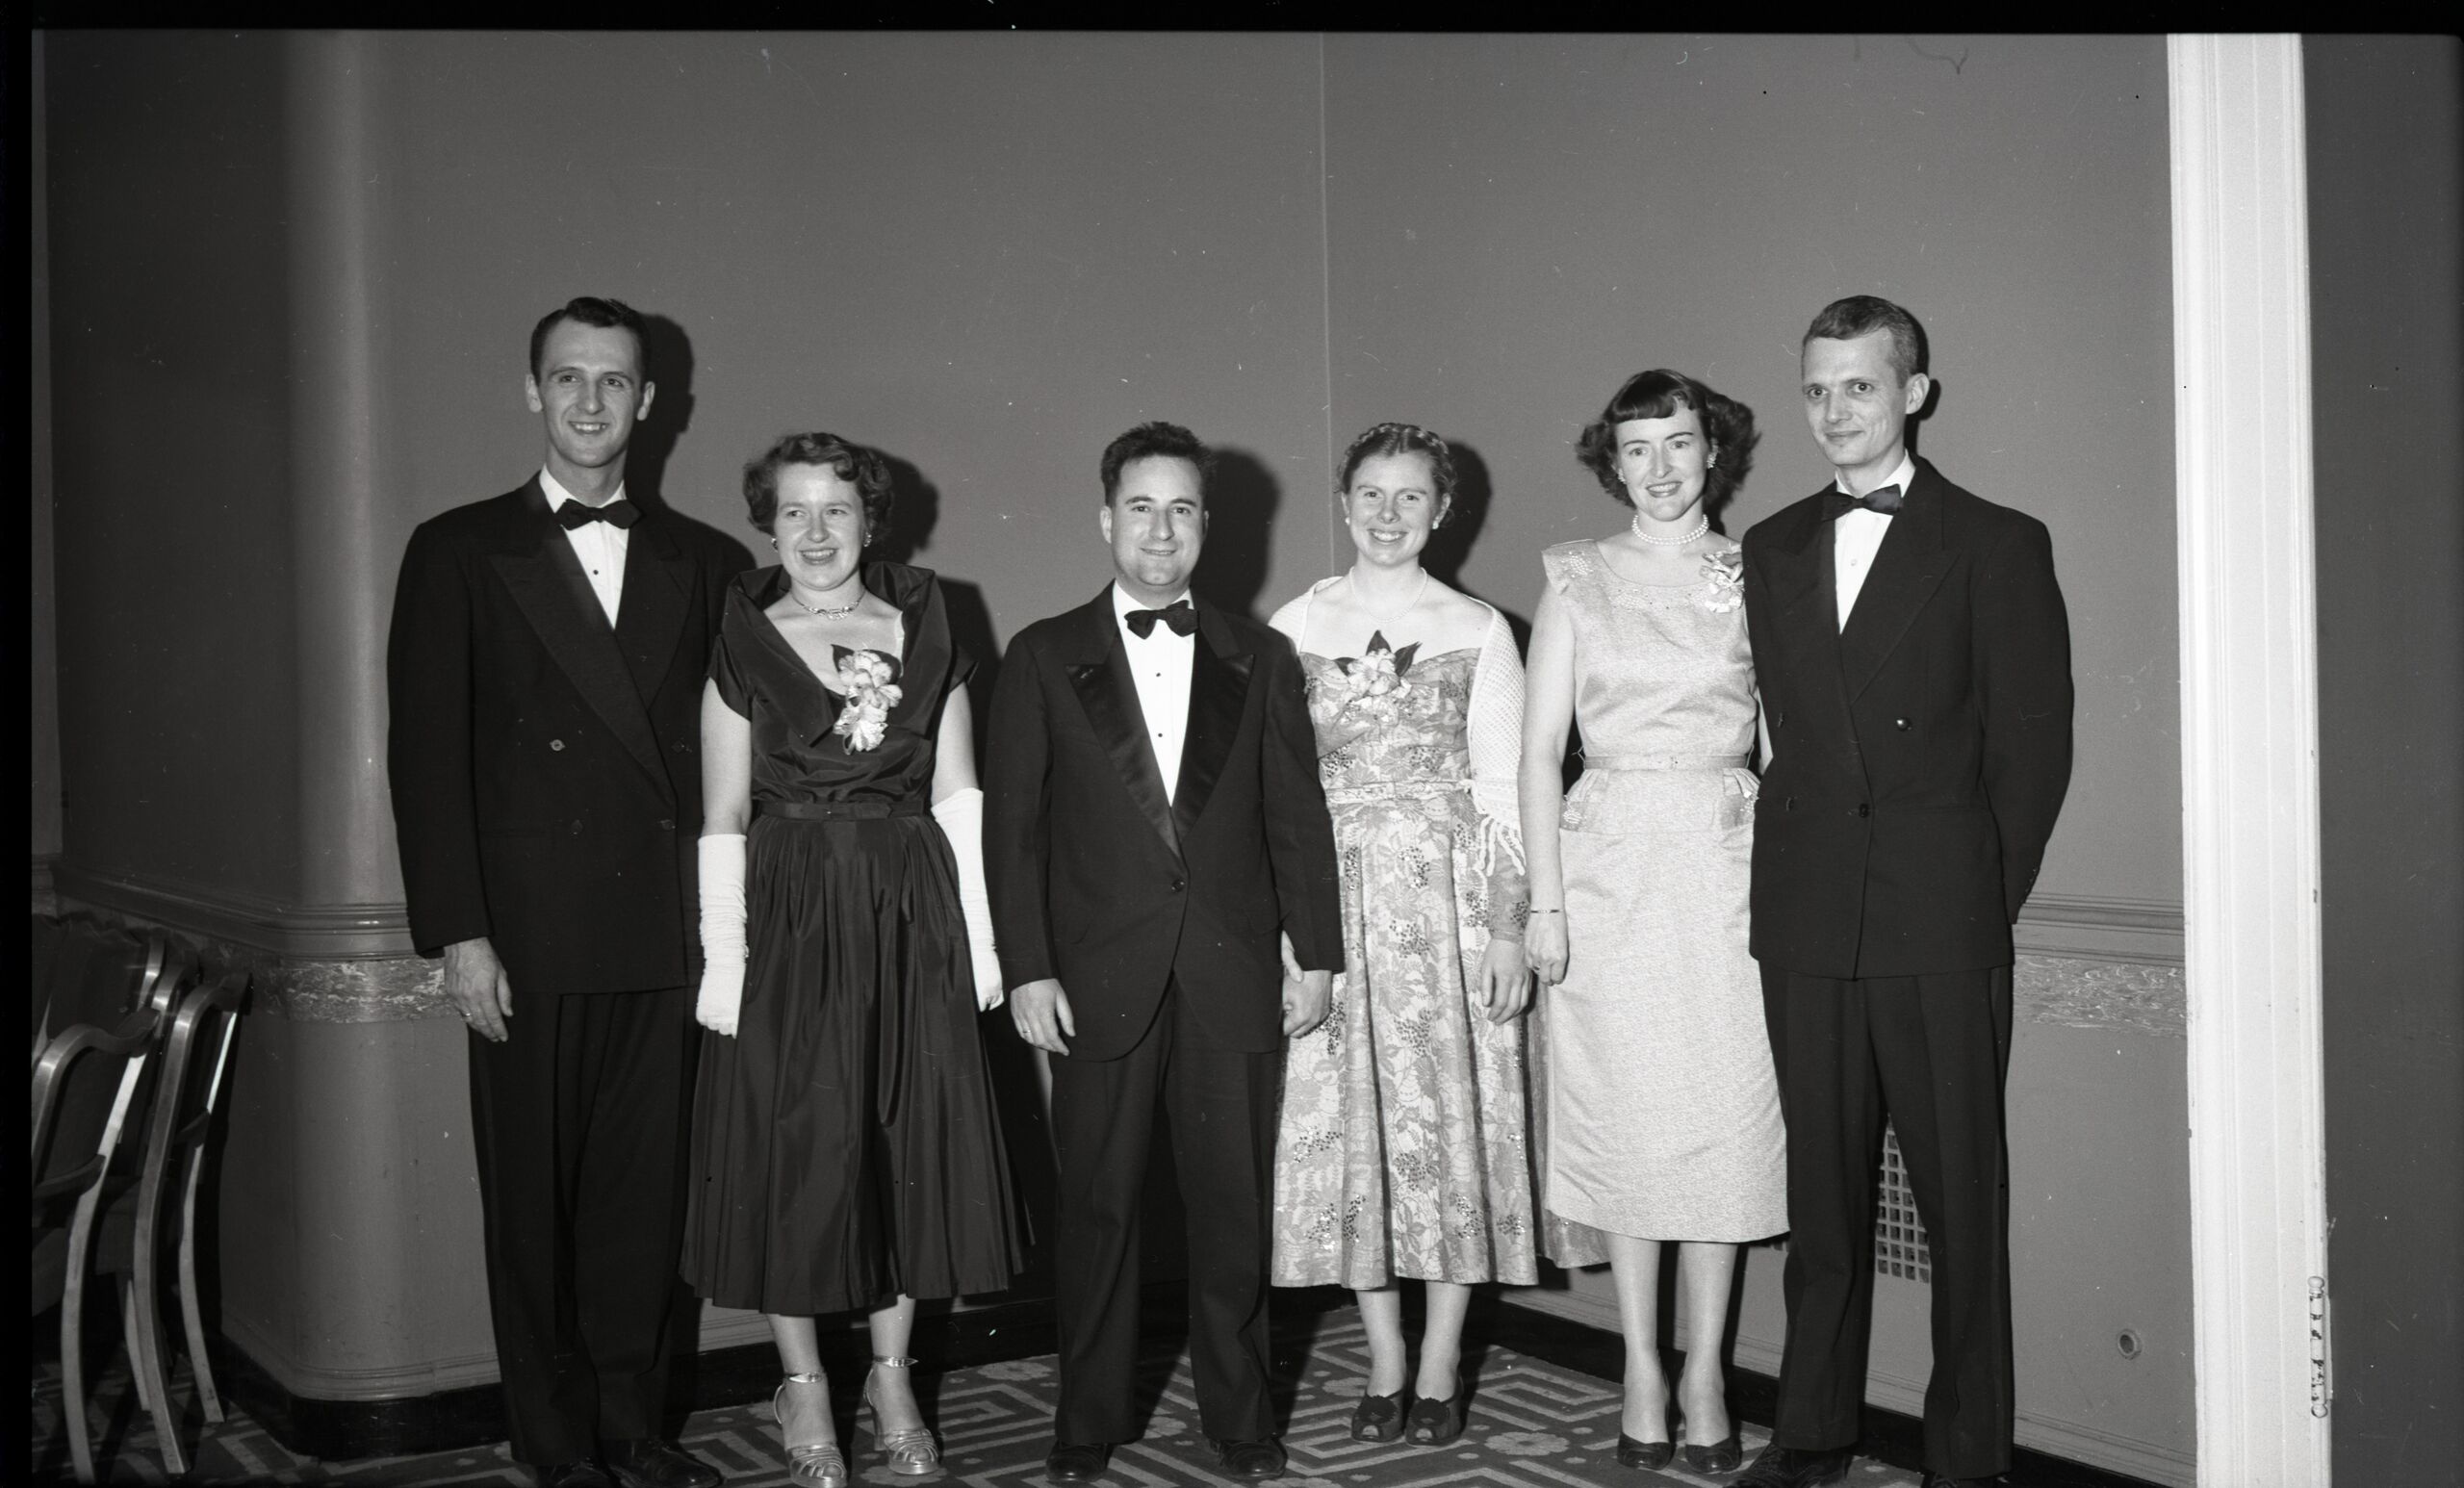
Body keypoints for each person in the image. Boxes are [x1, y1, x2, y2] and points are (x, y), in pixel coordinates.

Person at [386, 296, 736, 1488]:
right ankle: (554, 1447)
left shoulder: (707, 562)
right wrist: (460, 934)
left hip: (662, 934)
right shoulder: (458, 549)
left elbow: (733, 766)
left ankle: (633, 1432)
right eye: (569, 377)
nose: (591, 401)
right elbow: (427, 759)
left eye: (614, 380)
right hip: (526, 940)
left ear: (651, 402)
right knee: (532, 1208)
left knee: (643, 1201)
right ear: (532, 391)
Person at [1732, 297, 2072, 1488]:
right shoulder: (1771, 545)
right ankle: (1810, 1431)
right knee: (1820, 1199)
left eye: (1860, 386)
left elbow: (2032, 750)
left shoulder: (1995, 541)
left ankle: (1967, 1458)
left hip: (1939, 917)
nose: (1834, 411)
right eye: (1816, 388)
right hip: (1807, 916)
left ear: (1913, 393)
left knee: (1957, 1202)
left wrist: (1976, 895)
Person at [984, 422, 1344, 1485]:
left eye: (1181, 509)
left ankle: (1241, 1418)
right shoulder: (1042, 654)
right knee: (1097, 1209)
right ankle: (1085, 1421)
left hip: (1232, 973)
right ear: (1107, 519)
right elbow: (1014, 830)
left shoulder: (1259, 656)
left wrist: (1317, 955)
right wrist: (1028, 965)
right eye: (1140, 507)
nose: (1160, 530)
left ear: (1206, 525)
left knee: (1233, 1209)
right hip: (1095, 978)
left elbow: (1296, 816)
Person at [682, 433, 1024, 1488]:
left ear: (871, 520)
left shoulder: (929, 623)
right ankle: (803, 1388)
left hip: (909, 908)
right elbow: (724, 813)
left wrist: (984, 945)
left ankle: (891, 1379)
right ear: (768, 525)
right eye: (794, 511)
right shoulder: (742, 639)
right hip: (790, 912)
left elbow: (959, 796)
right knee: (797, 1146)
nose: (816, 531)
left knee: (900, 1139)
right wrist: (726, 959)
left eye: (837, 509)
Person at [1520, 369, 1785, 1477]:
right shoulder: (1574, 576)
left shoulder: (1757, 573)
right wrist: (1543, 900)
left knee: (1723, 1123)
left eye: (1678, 443)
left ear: (1712, 450)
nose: (1660, 467)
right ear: (1612, 460)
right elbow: (1538, 751)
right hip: (1609, 868)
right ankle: (1639, 1364)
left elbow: (1784, 748)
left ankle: (1706, 1371)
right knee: (1627, 1120)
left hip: (1728, 869)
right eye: (1637, 448)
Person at [1265, 423, 1535, 1447]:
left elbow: (1506, 791)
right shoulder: (1293, 625)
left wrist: (1507, 929)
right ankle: (1383, 1357)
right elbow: (1272, 792)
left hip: (1448, 913)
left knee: (1449, 1127)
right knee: (1356, 1133)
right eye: (1371, 494)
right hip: (1330, 906)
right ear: (1344, 503)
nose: (1388, 514)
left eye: (1410, 496)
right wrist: (1287, 935)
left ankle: (1438, 1364)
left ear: (1442, 509)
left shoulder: (1478, 627)